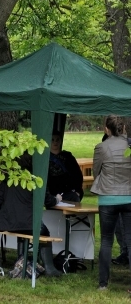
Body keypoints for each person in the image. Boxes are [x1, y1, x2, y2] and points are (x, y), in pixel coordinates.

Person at [0, 153, 62, 276]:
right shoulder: (35, 179)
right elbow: (48, 201)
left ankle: (21, 261)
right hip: (28, 223)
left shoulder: (7, 178)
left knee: (25, 232)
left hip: (8, 222)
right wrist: (57, 198)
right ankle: (49, 268)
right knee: (44, 232)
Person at [92, 115, 131, 291]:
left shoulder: (101, 147)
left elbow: (96, 171)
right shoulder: (129, 146)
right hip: (129, 196)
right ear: (123, 128)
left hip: (107, 197)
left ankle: (103, 284)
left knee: (106, 241)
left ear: (106, 129)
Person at [47, 131, 83, 202]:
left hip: (69, 193)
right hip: (52, 195)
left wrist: (78, 191)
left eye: (57, 140)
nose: (55, 142)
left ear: (60, 141)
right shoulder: (45, 159)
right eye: (52, 140)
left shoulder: (68, 157)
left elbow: (77, 175)